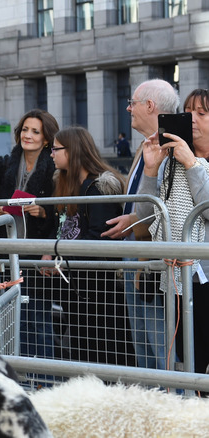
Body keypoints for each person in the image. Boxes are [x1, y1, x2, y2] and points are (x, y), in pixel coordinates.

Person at [103, 79, 180, 370]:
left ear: (149, 106)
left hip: (153, 260)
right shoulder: (146, 145)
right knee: (144, 349)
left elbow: (163, 206)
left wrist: (134, 219)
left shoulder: (172, 149)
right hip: (137, 255)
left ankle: (170, 408)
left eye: (132, 103)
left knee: (161, 350)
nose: (128, 108)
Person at [45, 126, 133, 366]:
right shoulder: (66, 184)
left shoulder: (100, 186)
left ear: (73, 151)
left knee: (104, 352)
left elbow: (100, 236)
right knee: (83, 352)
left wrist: (59, 254)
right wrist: (52, 251)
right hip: (76, 285)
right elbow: (63, 228)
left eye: (56, 149)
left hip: (99, 289)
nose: (51, 154)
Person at [0, 108, 59, 360]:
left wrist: (43, 212)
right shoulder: (3, 163)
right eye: (24, 129)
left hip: (36, 252)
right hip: (6, 250)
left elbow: (62, 210)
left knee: (38, 317)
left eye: (35, 131)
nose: (28, 135)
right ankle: (17, 372)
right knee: (10, 317)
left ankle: (44, 376)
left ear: (46, 139)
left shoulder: (54, 168)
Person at [136, 88, 209, 375]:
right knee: (191, 361)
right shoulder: (170, 162)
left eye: (201, 113)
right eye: (188, 112)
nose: (192, 119)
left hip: (203, 275)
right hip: (177, 277)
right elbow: (145, 218)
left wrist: (192, 164)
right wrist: (151, 170)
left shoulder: (187, 162)